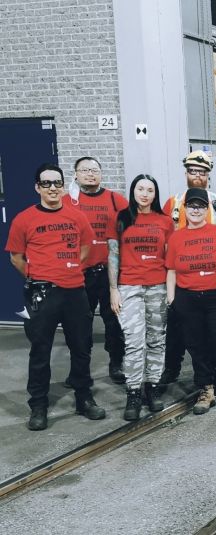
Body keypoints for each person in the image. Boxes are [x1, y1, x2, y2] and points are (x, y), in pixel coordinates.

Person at [7, 164, 104, 430]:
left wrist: (67, 270)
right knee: (40, 351)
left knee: (81, 348)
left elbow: (85, 249)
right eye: (46, 183)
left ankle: (83, 399)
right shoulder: (24, 219)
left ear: (63, 186)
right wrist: (38, 274)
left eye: (57, 183)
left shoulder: (77, 217)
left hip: (74, 292)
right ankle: (38, 405)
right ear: (37, 187)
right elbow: (16, 257)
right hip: (41, 293)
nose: (52, 188)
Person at [160, 150, 216, 385]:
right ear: (186, 173)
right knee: (178, 334)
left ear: (208, 175)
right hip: (182, 278)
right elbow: (163, 237)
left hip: (213, 279)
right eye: (193, 171)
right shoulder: (173, 202)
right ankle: (171, 370)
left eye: (202, 172)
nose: (197, 176)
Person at [165, 188, 216, 415]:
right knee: (196, 345)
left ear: (207, 209)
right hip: (187, 299)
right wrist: (173, 299)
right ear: (184, 209)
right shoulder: (176, 237)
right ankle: (206, 390)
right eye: (192, 206)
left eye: (200, 206)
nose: (196, 210)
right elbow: (171, 270)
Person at [106, 174, 174, 421]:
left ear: (155, 195)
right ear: (133, 191)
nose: (144, 194)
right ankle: (133, 391)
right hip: (129, 287)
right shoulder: (120, 218)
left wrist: (170, 290)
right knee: (134, 342)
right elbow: (113, 255)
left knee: (157, 340)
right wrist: (113, 289)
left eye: (150, 190)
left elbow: (170, 259)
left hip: (157, 286)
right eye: (140, 189)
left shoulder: (165, 221)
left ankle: (152, 387)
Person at [71, 156, 129, 384]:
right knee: (79, 326)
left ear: (101, 173)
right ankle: (79, 371)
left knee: (114, 323)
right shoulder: (69, 202)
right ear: (75, 174)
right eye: (84, 170)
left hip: (110, 274)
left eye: (94, 170)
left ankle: (116, 364)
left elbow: (133, 228)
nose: (90, 174)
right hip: (80, 275)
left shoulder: (116, 200)